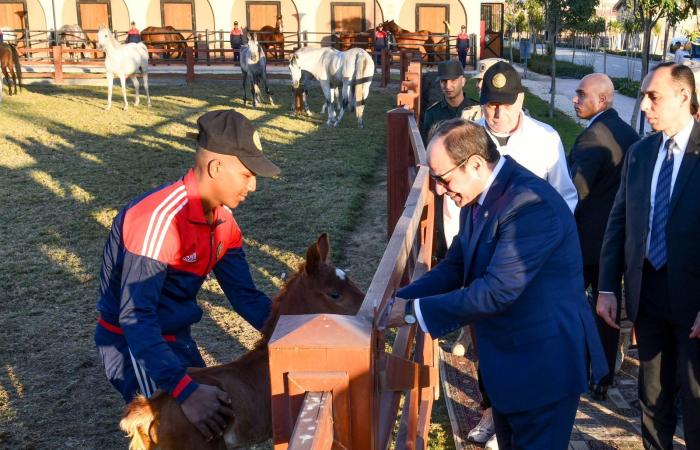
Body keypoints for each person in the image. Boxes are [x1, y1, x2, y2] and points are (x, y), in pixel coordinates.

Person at [384, 118, 607, 449]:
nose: (440, 190)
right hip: (508, 365)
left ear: (475, 164)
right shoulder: (478, 197)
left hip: (543, 367)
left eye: (442, 179)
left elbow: (497, 291)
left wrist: (412, 312)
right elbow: (456, 265)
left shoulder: (531, 205)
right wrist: (395, 301)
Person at [94, 110, 281, 441]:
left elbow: (245, 296)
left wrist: (294, 333)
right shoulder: (158, 220)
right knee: (186, 427)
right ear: (215, 167)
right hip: (132, 344)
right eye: (247, 174)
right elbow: (135, 318)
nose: (253, 186)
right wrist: (184, 391)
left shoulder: (225, 223)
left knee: (213, 421)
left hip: (173, 336)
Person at [445, 61, 578, 448]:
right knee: (489, 344)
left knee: (531, 346)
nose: (497, 113)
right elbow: (455, 210)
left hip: (533, 269)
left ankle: (524, 414)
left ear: (520, 100)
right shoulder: (469, 139)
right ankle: (492, 410)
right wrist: (465, 260)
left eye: (505, 104)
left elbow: (565, 196)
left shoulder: (546, 140)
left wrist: (543, 247)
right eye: (489, 105)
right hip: (483, 268)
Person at [597, 62, 700, 449]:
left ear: (683, 96)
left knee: (695, 400)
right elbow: (618, 222)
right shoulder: (640, 154)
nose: (643, 105)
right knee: (652, 399)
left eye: (653, 97)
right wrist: (607, 287)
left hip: (694, 303)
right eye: (643, 96)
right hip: (649, 293)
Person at [569, 73, 640, 401]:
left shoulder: (589, 141)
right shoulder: (631, 134)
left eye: (582, 95)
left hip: (584, 243)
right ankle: (604, 375)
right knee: (608, 307)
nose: (575, 99)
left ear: (603, 100)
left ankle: (574, 368)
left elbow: (574, 195)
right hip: (619, 242)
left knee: (571, 305)